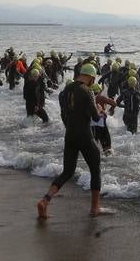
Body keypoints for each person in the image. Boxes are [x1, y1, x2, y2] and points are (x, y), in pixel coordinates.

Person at [36, 63, 108, 219]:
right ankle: (95, 208)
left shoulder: (65, 91)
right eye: (93, 79)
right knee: (95, 169)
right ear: (90, 77)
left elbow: (65, 115)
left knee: (67, 171)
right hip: (84, 135)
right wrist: (100, 110)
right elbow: (95, 117)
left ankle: (45, 200)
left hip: (70, 135)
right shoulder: (87, 91)